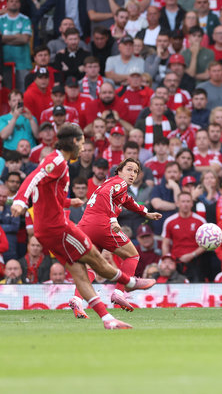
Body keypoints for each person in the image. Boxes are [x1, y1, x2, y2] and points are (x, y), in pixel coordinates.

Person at [11, 124, 155, 329]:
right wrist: (20, 201)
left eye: (135, 171)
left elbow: (50, 196)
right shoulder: (60, 162)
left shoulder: (63, 165)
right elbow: (33, 178)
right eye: (81, 142)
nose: (83, 147)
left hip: (55, 228)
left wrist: (71, 203)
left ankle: (101, 315)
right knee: (100, 259)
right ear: (73, 141)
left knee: (82, 271)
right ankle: (126, 285)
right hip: (60, 227)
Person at [69, 158, 162, 316]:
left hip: (85, 225)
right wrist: (112, 219)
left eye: (135, 172)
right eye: (129, 169)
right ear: (119, 171)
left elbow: (130, 202)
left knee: (90, 267)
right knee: (132, 255)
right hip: (101, 224)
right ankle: (119, 293)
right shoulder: (120, 183)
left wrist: (147, 213)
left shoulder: (114, 186)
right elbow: (107, 195)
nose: (132, 174)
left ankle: (77, 299)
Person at [161, 192, 207, 282]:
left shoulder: (200, 221)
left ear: (192, 203)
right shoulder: (170, 221)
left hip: (196, 260)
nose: (185, 204)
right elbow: (165, 244)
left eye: (188, 201)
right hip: (177, 262)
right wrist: (167, 261)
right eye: (183, 201)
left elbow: (205, 244)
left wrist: (192, 255)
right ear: (177, 203)